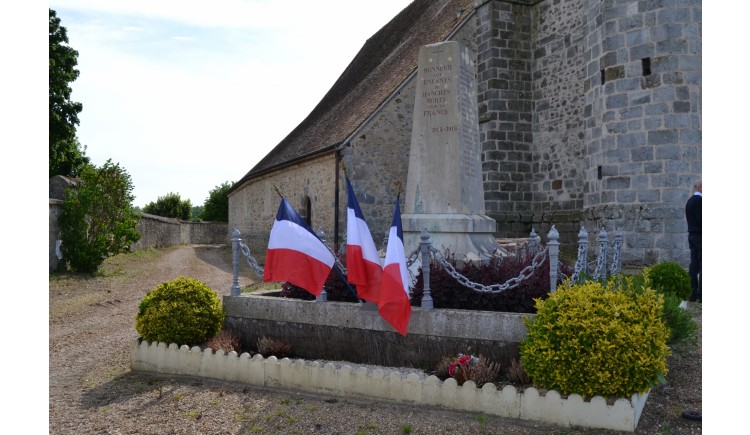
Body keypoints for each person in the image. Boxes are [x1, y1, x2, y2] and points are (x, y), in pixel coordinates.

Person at [685, 179, 701, 302]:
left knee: (694, 266)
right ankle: (701, 297)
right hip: (700, 236)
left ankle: (692, 294)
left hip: (692, 235)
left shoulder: (690, 201)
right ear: (700, 187)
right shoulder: (699, 201)